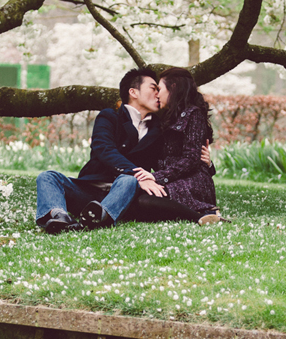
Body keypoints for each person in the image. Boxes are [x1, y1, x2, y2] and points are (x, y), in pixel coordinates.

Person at [34, 67, 165, 233]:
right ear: (134, 92)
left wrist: (206, 164)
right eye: (153, 89)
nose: (158, 94)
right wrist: (137, 173)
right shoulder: (109, 117)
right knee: (47, 177)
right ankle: (60, 217)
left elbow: (169, 162)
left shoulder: (158, 130)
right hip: (89, 191)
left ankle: (101, 217)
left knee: (128, 180)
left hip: (123, 195)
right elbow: (104, 149)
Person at [127, 67, 223, 225]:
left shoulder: (194, 114)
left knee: (143, 201)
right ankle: (199, 214)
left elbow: (191, 159)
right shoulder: (164, 116)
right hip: (171, 179)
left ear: (173, 88)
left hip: (191, 181)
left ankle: (204, 213)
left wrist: (156, 177)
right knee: (134, 198)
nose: (157, 94)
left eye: (159, 89)